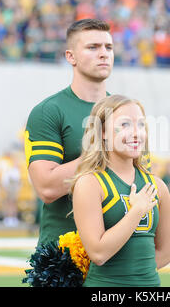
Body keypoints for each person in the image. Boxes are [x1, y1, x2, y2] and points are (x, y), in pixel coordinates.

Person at [25, 19, 116, 245]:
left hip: (117, 257)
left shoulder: (125, 112)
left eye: (108, 47)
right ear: (71, 57)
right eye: (93, 47)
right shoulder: (48, 111)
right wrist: (104, 152)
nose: (103, 54)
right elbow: (46, 187)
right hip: (64, 257)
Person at [70, 95, 170, 287]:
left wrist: (135, 278)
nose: (136, 133)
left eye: (141, 125)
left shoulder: (158, 187)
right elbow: (99, 254)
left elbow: (166, 254)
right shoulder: (89, 184)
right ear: (102, 132)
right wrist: (136, 212)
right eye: (125, 125)